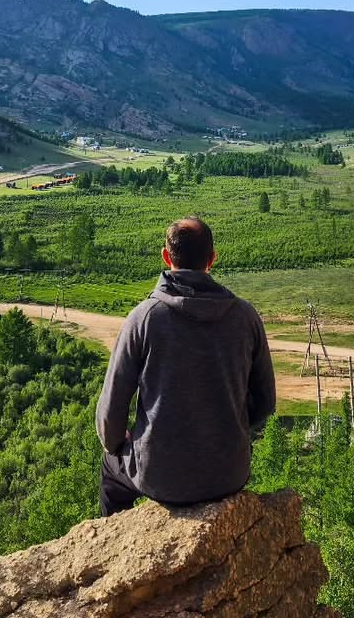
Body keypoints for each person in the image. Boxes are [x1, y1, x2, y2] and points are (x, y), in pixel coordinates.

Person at [95, 216, 277, 516]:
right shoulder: (245, 316)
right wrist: (233, 432)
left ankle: (117, 545)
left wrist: (117, 443)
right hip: (229, 474)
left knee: (110, 471)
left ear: (166, 257)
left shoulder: (145, 318)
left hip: (161, 478)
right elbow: (266, 403)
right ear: (212, 259)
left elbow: (111, 412)